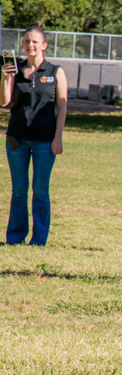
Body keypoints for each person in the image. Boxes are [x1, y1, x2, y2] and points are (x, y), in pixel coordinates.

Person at [0, 25, 67, 246]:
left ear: (44, 45)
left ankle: (39, 240)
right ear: (22, 44)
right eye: (27, 41)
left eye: (35, 42)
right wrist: (4, 77)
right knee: (19, 191)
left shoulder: (55, 71)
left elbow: (62, 107)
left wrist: (58, 137)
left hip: (45, 141)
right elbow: (4, 101)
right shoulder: (15, 70)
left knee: (40, 191)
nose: (30, 45)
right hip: (16, 139)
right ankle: (15, 237)